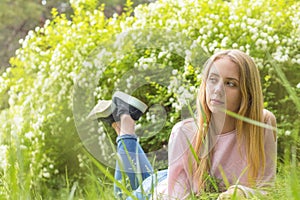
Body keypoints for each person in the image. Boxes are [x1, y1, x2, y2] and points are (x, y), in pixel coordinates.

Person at [87, 49, 277, 199]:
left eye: (230, 83)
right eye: (213, 80)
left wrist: (241, 193)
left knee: (143, 181)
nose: (217, 90)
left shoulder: (263, 123)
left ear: (248, 92)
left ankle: (121, 121)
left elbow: (266, 188)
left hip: (173, 177)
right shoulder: (185, 132)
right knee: (123, 194)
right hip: (170, 191)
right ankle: (126, 124)